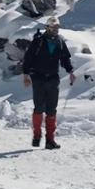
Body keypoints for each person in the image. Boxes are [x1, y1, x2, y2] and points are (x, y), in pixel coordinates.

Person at [23, 16, 76, 149]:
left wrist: (70, 72)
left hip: (53, 78)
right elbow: (28, 58)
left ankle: (50, 140)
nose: (56, 30)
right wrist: (26, 75)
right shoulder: (38, 41)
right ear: (47, 28)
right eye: (54, 27)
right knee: (39, 107)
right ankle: (36, 136)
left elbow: (65, 59)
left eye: (58, 27)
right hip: (38, 78)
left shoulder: (60, 41)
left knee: (52, 110)